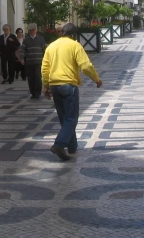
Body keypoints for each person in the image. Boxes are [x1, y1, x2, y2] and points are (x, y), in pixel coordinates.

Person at [41, 23, 102, 161]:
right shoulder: (75, 45)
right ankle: (59, 144)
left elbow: (45, 68)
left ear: (62, 32)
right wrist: (96, 79)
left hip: (54, 85)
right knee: (71, 118)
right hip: (68, 84)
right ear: (74, 35)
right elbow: (86, 66)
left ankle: (72, 146)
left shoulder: (51, 46)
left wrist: (46, 86)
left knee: (65, 117)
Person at [20, 23, 48, 99]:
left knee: (38, 77)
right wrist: (22, 58)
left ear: (36, 30)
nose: (31, 31)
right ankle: (33, 93)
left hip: (38, 62)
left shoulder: (41, 39)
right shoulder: (26, 39)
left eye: (33, 30)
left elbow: (45, 49)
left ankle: (37, 93)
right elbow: (22, 50)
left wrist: (47, 59)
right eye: (30, 30)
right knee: (30, 78)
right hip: (29, 62)